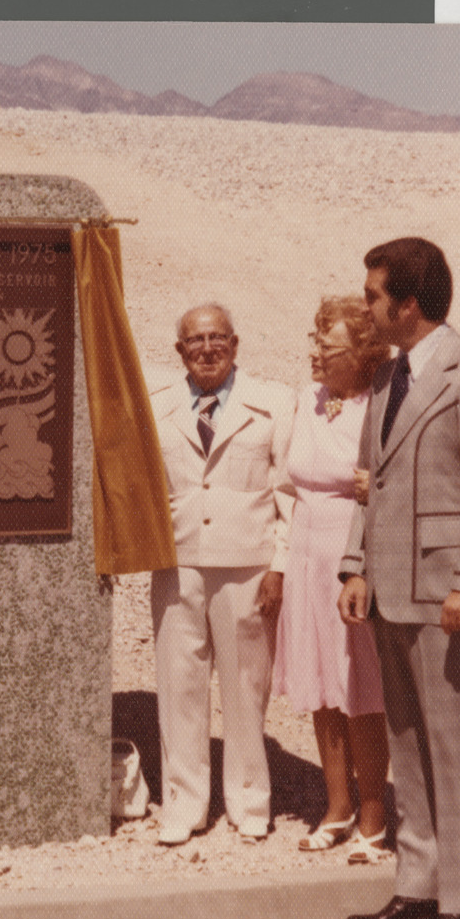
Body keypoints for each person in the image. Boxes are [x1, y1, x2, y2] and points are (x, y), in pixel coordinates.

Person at [338, 237, 460, 919]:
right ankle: (416, 885)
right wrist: (356, 566)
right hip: (389, 588)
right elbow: (369, 482)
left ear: (408, 303)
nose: (366, 306)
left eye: (374, 294)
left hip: (448, 593)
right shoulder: (386, 378)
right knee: (406, 740)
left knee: (450, 739)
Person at [148, 303, 295, 845]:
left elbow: (289, 492)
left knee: (245, 688)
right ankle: (184, 804)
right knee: (178, 686)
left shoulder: (275, 402)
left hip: (247, 563)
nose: (206, 349)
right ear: (179, 351)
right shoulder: (157, 403)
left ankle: (249, 800)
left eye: (217, 339)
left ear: (235, 345)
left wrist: (279, 566)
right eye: (194, 341)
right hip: (177, 559)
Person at [274, 296, 393, 865]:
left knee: (362, 691)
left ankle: (374, 816)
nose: (316, 352)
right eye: (316, 340)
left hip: (353, 559)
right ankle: (337, 806)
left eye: (330, 345)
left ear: (364, 355)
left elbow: (398, 481)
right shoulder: (306, 399)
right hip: (305, 554)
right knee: (322, 686)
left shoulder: (381, 404)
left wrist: (380, 489)